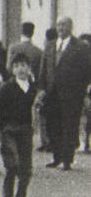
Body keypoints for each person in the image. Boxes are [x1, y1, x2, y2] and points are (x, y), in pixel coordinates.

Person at [37, 16, 91, 170]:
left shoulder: (80, 46)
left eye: (64, 25)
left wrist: (82, 91)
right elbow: (43, 69)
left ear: (71, 27)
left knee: (69, 126)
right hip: (51, 94)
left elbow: (87, 70)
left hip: (71, 95)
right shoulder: (50, 45)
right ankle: (56, 157)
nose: (61, 28)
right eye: (59, 25)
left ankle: (67, 159)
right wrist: (41, 88)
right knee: (53, 125)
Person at [0, 53, 37, 197]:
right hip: (9, 131)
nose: (21, 69)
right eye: (17, 66)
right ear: (12, 70)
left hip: (26, 131)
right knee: (12, 165)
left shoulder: (33, 89)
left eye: (24, 65)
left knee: (26, 168)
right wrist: (0, 131)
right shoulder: (6, 88)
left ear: (29, 68)